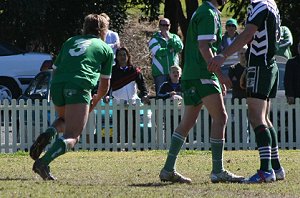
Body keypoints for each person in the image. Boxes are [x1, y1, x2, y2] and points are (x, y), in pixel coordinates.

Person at [159, 0, 244, 184]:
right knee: (221, 118)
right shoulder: (208, 13)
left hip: (191, 74)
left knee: (188, 122)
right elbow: (204, 47)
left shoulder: (201, 11)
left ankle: (168, 169)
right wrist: (220, 75)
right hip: (202, 74)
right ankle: (217, 170)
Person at [29, 14, 114, 180]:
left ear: (85, 27)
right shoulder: (105, 49)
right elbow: (105, 85)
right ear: (103, 30)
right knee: (73, 136)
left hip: (57, 84)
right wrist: (95, 99)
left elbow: (55, 68)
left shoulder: (71, 41)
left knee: (64, 119)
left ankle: (50, 132)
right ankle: (43, 163)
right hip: (79, 85)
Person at [209, 0, 285, 183]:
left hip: (261, 64)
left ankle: (266, 171)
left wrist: (223, 55)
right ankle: (276, 167)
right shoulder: (271, 3)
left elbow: (248, 34)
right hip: (266, 64)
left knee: (256, 117)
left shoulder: (260, 4)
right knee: (265, 118)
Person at [103, 47, 149, 142]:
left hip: (132, 102)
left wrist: (144, 94)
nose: (122, 57)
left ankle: (132, 144)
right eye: (120, 55)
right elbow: (107, 85)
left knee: (133, 125)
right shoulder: (112, 71)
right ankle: (119, 145)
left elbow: (142, 84)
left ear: (128, 56)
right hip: (118, 102)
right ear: (116, 57)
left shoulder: (135, 70)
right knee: (119, 125)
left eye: (124, 54)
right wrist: (106, 95)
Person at [148, 18, 183, 95]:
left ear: (170, 26)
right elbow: (157, 52)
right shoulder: (154, 38)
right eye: (162, 25)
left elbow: (179, 47)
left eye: (167, 25)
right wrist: (170, 49)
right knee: (162, 96)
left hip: (174, 72)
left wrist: (169, 39)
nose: (165, 27)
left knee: (176, 95)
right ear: (159, 26)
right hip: (161, 73)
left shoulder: (174, 37)